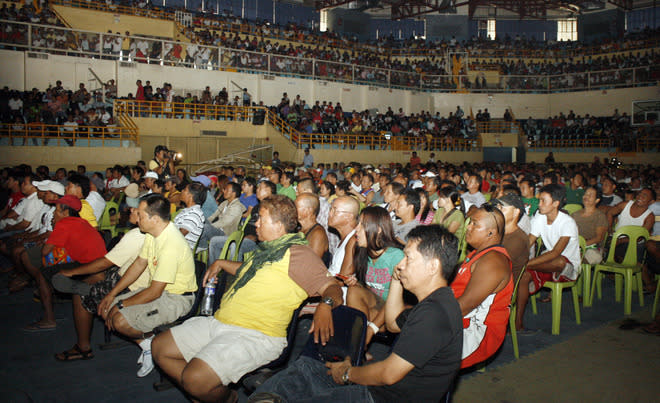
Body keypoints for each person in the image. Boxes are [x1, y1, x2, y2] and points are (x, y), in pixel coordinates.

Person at [151, 195, 343, 403]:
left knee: (195, 378)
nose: (256, 224)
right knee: (160, 348)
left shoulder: (299, 254)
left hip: (256, 334)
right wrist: (222, 263)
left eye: (261, 218)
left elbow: (332, 287)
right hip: (222, 321)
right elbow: (249, 269)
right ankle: (204, 394)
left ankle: (227, 398)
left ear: (278, 226)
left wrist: (326, 305)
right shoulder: (268, 251)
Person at [249, 225, 462, 403]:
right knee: (310, 367)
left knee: (311, 376)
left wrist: (347, 373)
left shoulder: (434, 314)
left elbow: (388, 374)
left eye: (408, 258)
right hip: (384, 390)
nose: (401, 264)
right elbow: (394, 323)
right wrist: (396, 280)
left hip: (381, 397)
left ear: (433, 266)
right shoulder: (435, 302)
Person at [97, 194, 197, 377]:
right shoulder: (153, 234)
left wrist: (120, 305)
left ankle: (155, 346)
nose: (136, 218)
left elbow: (155, 292)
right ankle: (149, 344)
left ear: (155, 219)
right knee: (106, 308)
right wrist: (113, 294)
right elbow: (139, 264)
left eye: (140, 215)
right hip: (159, 293)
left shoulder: (171, 244)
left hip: (176, 298)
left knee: (119, 319)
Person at [51, 195, 150, 361]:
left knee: (81, 294)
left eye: (135, 209)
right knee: (95, 277)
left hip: (131, 284)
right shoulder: (147, 233)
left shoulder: (136, 235)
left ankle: (83, 348)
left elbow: (105, 262)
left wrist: (72, 272)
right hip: (122, 274)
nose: (129, 210)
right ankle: (90, 289)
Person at [22, 195, 107, 331]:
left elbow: (45, 251)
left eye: (56, 210)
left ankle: (49, 319)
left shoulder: (64, 224)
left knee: (43, 274)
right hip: (99, 263)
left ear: (65, 213)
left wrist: (54, 229)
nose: (54, 213)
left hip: (88, 266)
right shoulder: (82, 222)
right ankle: (51, 293)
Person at [452, 204, 513, 368]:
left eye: (474, 224)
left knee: (416, 343)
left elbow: (464, 306)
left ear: (491, 233)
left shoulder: (493, 261)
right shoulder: (477, 253)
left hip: (476, 332)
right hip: (462, 318)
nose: (468, 227)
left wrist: (423, 315)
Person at [515, 184, 581, 332]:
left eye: (543, 201)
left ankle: (525, 266)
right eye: (539, 201)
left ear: (556, 204)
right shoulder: (540, 218)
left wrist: (525, 263)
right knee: (524, 277)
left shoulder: (567, 222)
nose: (539, 204)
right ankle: (517, 322)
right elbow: (528, 243)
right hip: (546, 263)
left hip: (566, 267)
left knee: (559, 261)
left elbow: (556, 253)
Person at [345, 206, 404, 345]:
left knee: (356, 323)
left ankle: (357, 349)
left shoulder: (396, 256)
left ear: (378, 229)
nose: (356, 229)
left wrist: (371, 328)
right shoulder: (362, 251)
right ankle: (358, 349)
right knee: (353, 291)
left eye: (362, 225)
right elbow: (368, 287)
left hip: (393, 309)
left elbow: (395, 299)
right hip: (375, 304)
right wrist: (357, 283)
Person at [491, 193, 530, 282]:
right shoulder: (498, 232)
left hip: (504, 283)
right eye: (498, 207)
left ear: (516, 212)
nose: (498, 210)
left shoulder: (518, 239)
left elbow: (497, 263)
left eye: (502, 208)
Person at [571, 186, 608, 265]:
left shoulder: (599, 216)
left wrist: (581, 245)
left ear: (597, 200)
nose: (586, 196)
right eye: (585, 194)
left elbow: (599, 238)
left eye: (590, 195)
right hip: (575, 245)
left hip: (591, 247)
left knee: (594, 257)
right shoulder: (575, 214)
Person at [327, 196, 359, 277]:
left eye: (335, 211)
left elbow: (343, 279)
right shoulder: (344, 237)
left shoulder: (354, 240)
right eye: (330, 210)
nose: (330, 214)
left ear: (349, 217)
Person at [295, 193, 329, 262]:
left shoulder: (318, 234)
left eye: (295, 206)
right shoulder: (298, 228)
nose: (292, 209)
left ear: (308, 211)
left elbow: (311, 264)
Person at [174, 182, 207, 250]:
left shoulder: (194, 214)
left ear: (190, 195)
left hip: (180, 250)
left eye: (185, 190)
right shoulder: (187, 210)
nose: (182, 191)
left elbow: (179, 235)